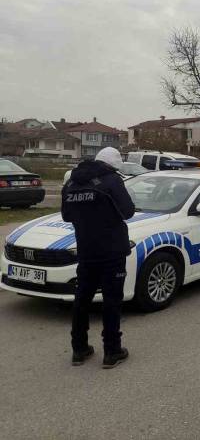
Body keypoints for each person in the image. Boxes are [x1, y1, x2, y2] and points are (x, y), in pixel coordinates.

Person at [62, 147, 135, 368]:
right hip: (112, 252)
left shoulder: (71, 183)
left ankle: (79, 349)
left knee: (82, 300)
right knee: (112, 301)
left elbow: (66, 216)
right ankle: (112, 351)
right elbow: (128, 211)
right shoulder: (112, 180)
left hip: (86, 251)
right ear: (113, 165)